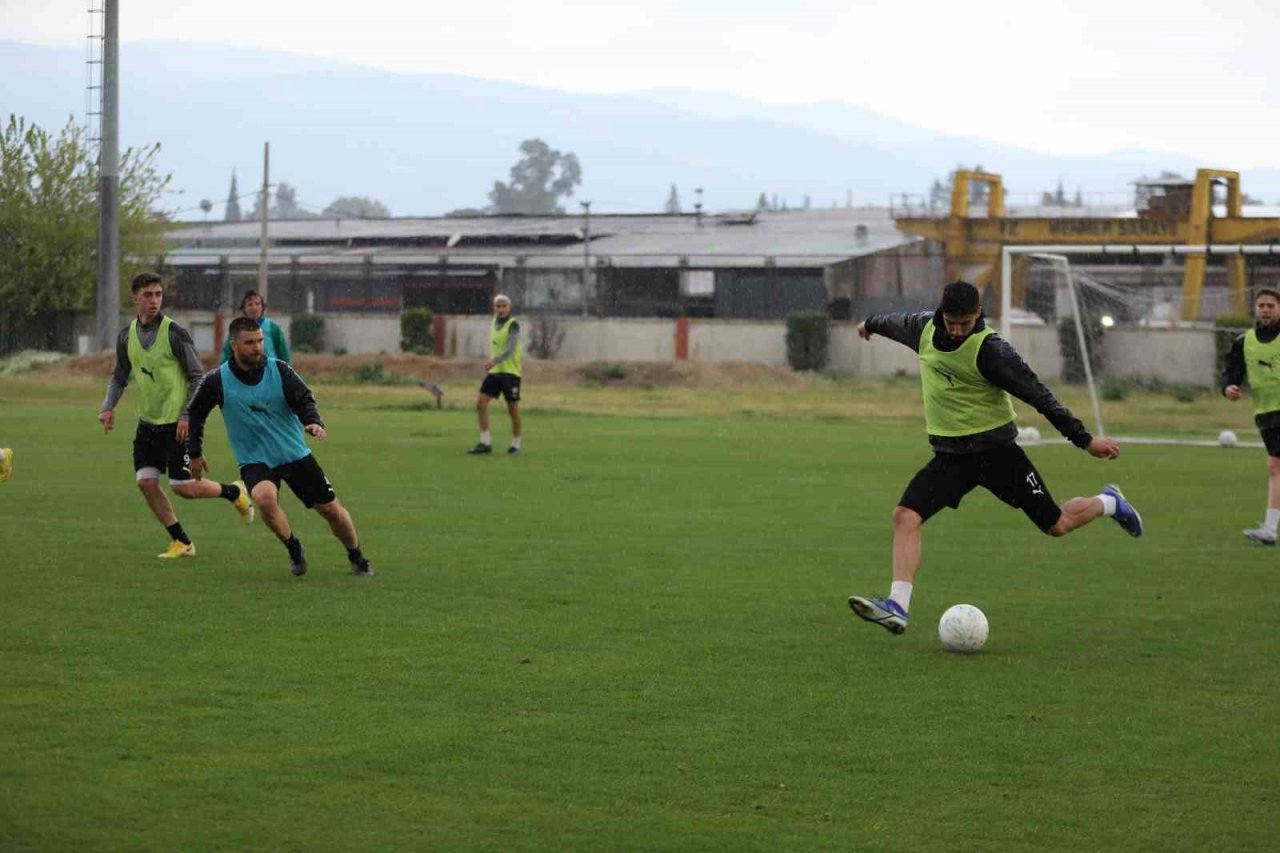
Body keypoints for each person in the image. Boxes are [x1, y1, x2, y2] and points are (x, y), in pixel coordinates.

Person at [847, 280, 1144, 635]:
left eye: (965, 323)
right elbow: (890, 322)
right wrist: (870, 324)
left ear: (978, 315)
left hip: (999, 456)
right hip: (950, 458)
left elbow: (1039, 396)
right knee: (905, 515)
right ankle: (897, 606)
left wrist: (1085, 440)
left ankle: (1109, 502)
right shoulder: (923, 328)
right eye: (951, 322)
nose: (957, 331)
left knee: (1058, 525)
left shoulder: (992, 351)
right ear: (941, 313)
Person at [182, 316, 373, 578]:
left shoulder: (280, 370)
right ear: (234, 345)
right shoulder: (216, 380)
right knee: (264, 499)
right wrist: (194, 452)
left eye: (260, 341)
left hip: (293, 454)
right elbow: (196, 414)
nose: (257, 347)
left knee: (331, 510)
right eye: (250, 342)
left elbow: (304, 399)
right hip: (254, 458)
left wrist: (312, 422)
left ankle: (357, 556)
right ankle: (294, 547)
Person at [99, 272, 254, 559]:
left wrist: (187, 415)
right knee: (146, 482)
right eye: (148, 295)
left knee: (184, 488)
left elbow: (198, 377)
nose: (154, 300)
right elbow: (120, 376)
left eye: (158, 294)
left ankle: (234, 492)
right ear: (135, 298)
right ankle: (182, 541)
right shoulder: (126, 336)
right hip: (147, 425)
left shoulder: (174, 333)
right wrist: (108, 407)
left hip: (177, 425)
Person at [1221, 287, 1280, 544]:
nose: (1266, 309)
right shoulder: (1245, 341)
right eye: (1262, 305)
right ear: (1255, 309)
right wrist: (1228, 388)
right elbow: (1232, 372)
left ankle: (1270, 528)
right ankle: (1269, 528)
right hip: (1266, 413)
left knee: (1275, 466)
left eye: (1271, 305)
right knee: (1275, 467)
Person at [468, 293, 523, 455]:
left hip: (510, 372)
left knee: (512, 408)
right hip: (495, 372)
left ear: (509, 308)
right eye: (498, 306)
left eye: (503, 306)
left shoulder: (514, 324)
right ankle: (485, 443)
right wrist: (494, 363)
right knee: (481, 404)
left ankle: (516, 444)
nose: (500, 309)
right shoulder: (493, 323)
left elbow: (510, 349)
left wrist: (495, 360)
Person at [220, 289, 291, 365]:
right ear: (244, 308)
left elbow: (284, 354)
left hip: (269, 371)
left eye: (257, 304)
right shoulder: (237, 329)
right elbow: (227, 354)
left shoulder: (273, 328)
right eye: (250, 304)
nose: (254, 307)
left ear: (262, 307)